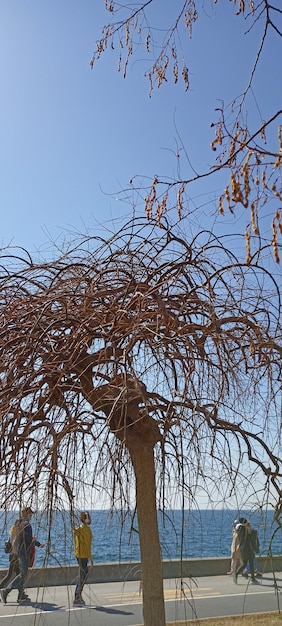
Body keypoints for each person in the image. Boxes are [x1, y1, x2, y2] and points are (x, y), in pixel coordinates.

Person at [0, 506, 44, 604]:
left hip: (16, 552)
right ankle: (6, 591)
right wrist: (36, 543)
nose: (31, 515)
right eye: (30, 514)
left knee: (18, 574)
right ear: (27, 514)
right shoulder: (26, 525)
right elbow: (27, 539)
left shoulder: (18, 523)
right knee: (21, 574)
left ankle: (20, 595)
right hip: (21, 552)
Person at [73, 511, 93, 606]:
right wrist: (91, 559)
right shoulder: (86, 531)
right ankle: (77, 596)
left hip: (78, 555)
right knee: (83, 575)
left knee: (82, 574)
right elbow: (87, 545)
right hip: (84, 555)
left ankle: (78, 595)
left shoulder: (78, 530)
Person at [233, 518, 259, 584]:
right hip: (247, 548)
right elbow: (252, 536)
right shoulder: (243, 530)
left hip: (244, 549)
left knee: (245, 564)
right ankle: (252, 578)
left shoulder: (240, 530)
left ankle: (236, 574)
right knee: (250, 563)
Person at [0, 519, 21, 590]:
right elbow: (15, 544)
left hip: (13, 555)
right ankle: (20, 594)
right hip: (15, 556)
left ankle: (21, 594)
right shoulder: (17, 533)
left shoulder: (12, 532)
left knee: (19, 575)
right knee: (10, 576)